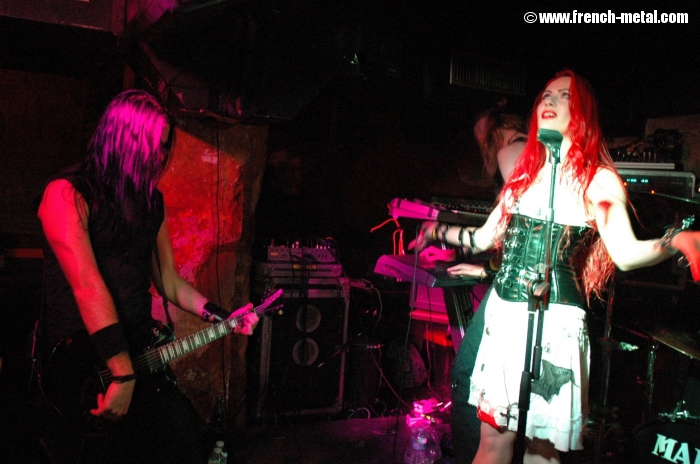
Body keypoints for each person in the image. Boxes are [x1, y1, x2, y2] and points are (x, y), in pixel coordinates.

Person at [414, 70, 700, 464]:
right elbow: (482, 238)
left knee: (542, 453)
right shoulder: (523, 174)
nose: (549, 101)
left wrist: (675, 241)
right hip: (505, 317)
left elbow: (625, 253)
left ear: (582, 114)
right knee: (493, 443)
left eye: (564, 96)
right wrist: (436, 231)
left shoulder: (598, 179)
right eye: (546, 95)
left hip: (557, 324)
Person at [37, 89, 259, 464]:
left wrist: (222, 317)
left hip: (139, 351)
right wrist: (122, 375)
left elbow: (168, 281)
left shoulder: (149, 201)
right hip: (83, 362)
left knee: (184, 443)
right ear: (122, 139)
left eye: (165, 146)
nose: (160, 156)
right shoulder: (66, 193)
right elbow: (87, 286)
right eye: (153, 146)